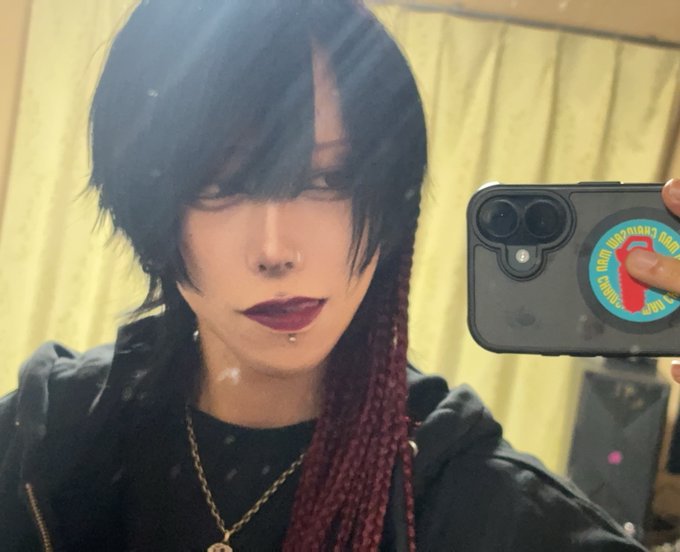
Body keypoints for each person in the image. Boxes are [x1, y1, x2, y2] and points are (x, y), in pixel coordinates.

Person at [0, 1, 677, 550]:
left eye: (329, 178)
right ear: (146, 205)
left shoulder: (477, 505)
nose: (276, 249)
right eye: (219, 186)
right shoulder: (44, 447)